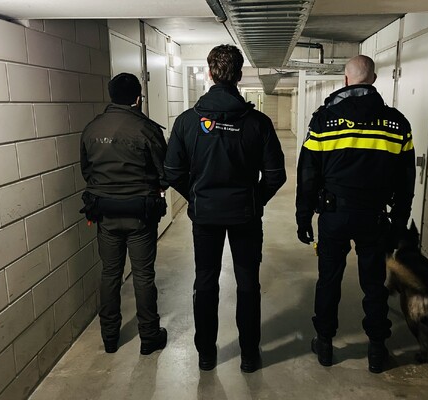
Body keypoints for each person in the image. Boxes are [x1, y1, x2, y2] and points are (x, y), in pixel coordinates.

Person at [164, 44, 286, 373]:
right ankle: (249, 356)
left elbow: (172, 171)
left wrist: (197, 196)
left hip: (205, 216)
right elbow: (275, 174)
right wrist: (254, 200)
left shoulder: (187, 122)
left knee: (205, 282)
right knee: (248, 284)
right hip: (245, 216)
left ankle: (206, 355)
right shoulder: (258, 122)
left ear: (210, 73)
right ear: (239, 75)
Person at [295, 55, 415, 373]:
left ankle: (324, 344)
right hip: (374, 218)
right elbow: (406, 180)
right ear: (373, 79)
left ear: (346, 80)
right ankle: (377, 349)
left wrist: (303, 215)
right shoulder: (397, 124)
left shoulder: (324, 121)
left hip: (333, 215)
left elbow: (308, 173)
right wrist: (399, 220)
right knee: (374, 284)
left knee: (328, 280)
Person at [80, 72, 168, 355]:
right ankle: (149, 337)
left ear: (111, 95)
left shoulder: (92, 129)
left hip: (105, 213)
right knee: (143, 275)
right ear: (138, 98)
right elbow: (164, 171)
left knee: (110, 273)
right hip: (140, 213)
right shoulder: (147, 129)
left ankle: (109, 337)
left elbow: (86, 171)